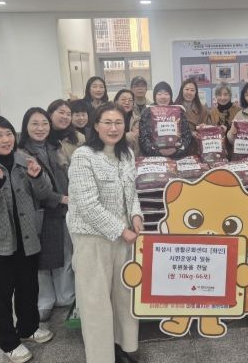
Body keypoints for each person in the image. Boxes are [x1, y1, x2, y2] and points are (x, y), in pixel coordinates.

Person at [0, 115, 54, 363]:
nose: (6, 140)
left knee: (28, 288)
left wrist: (38, 177)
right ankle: (9, 342)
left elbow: (44, 194)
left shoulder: (24, 161)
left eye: (8, 134)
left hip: (26, 237)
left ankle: (28, 328)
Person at [67, 103, 143, 363]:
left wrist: (136, 215)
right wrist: (121, 230)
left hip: (124, 237)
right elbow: (87, 205)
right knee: (96, 300)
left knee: (124, 294)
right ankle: (102, 356)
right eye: (107, 123)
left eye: (118, 122)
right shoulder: (83, 156)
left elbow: (132, 192)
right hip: (93, 238)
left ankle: (122, 346)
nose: (113, 128)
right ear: (96, 126)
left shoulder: (126, 154)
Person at [18, 108, 74, 322]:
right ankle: (45, 301)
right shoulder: (21, 154)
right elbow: (34, 189)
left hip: (62, 210)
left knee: (65, 253)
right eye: (34, 124)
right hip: (39, 212)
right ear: (26, 127)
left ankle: (65, 296)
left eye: (44, 123)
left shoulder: (55, 147)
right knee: (41, 260)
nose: (40, 128)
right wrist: (60, 199)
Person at [138, 81, 192, 159]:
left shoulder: (178, 111)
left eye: (166, 94)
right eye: (159, 94)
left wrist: (177, 150)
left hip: (177, 157)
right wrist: (157, 151)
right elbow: (143, 137)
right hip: (154, 157)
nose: (163, 97)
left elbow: (187, 135)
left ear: (170, 96)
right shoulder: (147, 112)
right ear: (155, 97)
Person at [47, 99, 86, 173]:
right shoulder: (43, 137)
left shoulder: (79, 137)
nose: (65, 117)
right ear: (50, 114)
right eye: (61, 112)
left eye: (68, 114)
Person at [114, 89, 140, 156]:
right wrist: (124, 137)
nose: (127, 102)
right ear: (116, 101)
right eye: (123, 99)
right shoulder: (110, 118)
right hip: (114, 155)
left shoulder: (137, 119)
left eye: (130, 100)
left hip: (133, 157)